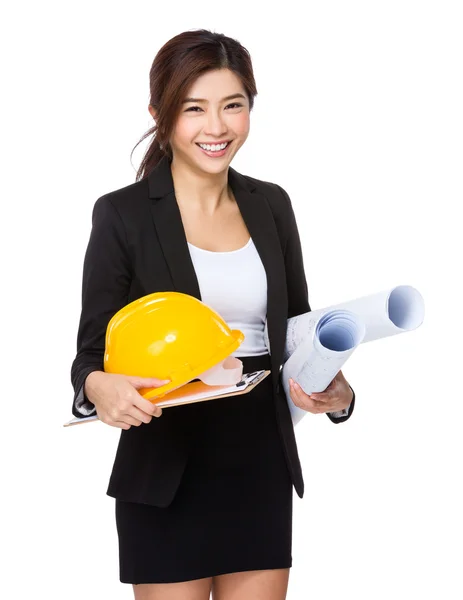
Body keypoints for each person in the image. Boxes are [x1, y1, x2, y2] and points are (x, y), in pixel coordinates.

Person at [70, 28, 355, 600]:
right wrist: (97, 386)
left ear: (251, 107)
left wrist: (337, 392)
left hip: (258, 460)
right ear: (160, 113)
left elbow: (297, 327)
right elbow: (89, 356)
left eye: (233, 105)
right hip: (167, 465)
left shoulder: (271, 204)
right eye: (193, 108)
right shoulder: (123, 215)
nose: (217, 127)